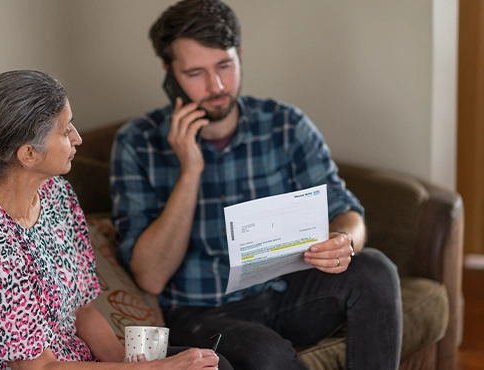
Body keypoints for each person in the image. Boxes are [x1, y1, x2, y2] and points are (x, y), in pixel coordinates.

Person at [109, 1, 403, 369]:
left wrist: (344, 240)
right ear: (170, 74)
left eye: (225, 66)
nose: (216, 86)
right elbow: (150, 277)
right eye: (196, 72)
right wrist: (190, 171)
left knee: (375, 269)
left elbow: (347, 211)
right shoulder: (136, 142)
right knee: (266, 356)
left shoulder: (285, 124)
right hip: (201, 312)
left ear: (240, 55)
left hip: (283, 294)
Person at [0, 70, 231, 370]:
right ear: (29, 154)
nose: (78, 138)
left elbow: (82, 310)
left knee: (215, 365)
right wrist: (155, 369)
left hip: (73, 360)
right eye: (65, 130)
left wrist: (126, 362)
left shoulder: (56, 193)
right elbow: (39, 368)